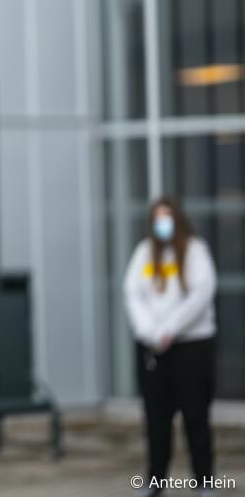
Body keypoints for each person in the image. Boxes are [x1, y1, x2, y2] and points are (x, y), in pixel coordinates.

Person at [123, 195, 217, 495]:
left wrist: (168, 330)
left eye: (167, 217)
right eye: (157, 218)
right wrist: (148, 330)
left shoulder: (195, 251)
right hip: (152, 348)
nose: (162, 224)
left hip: (190, 347)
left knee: (195, 418)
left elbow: (199, 296)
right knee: (156, 421)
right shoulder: (144, 253)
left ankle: (204, 482)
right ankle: (155, 482)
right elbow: (132, 293)